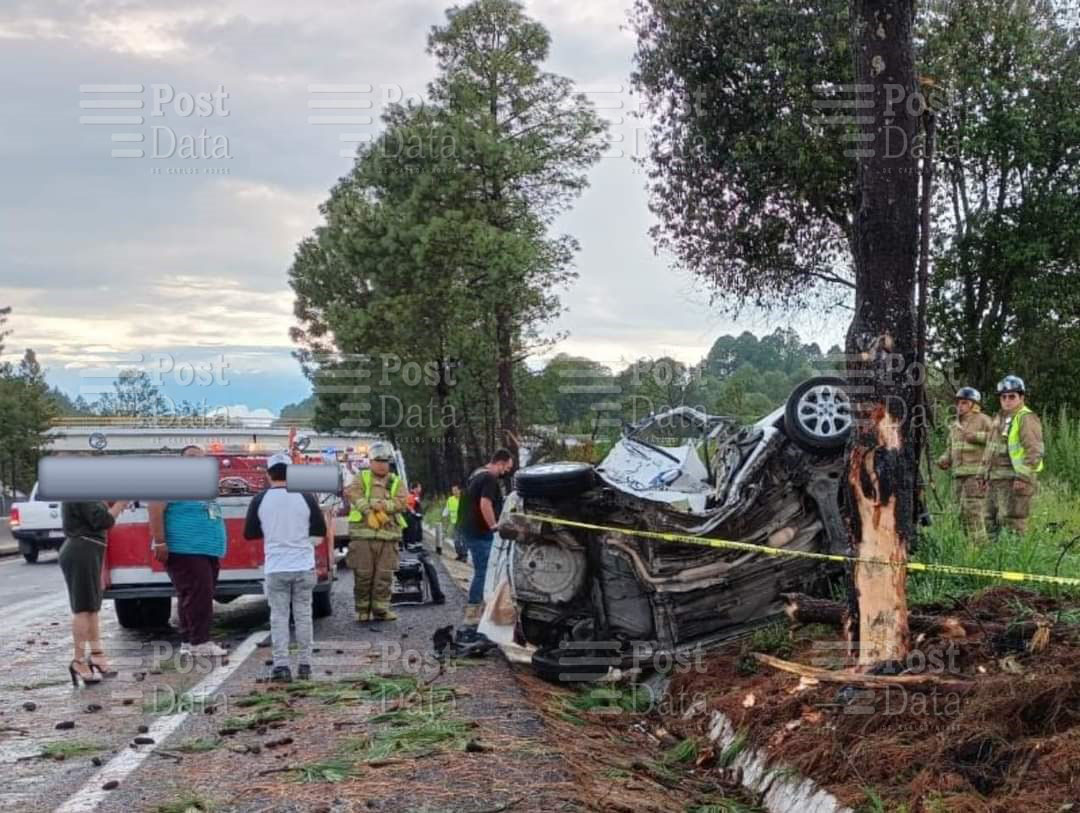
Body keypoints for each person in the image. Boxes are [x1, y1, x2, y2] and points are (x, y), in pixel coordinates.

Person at [243, 452, 327, 683]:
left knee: (279, 617)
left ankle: (281, 666)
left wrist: (272, 530)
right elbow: (320, 530)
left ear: (269, 474)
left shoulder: (260, 499)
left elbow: (250, 533)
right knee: (303, 615)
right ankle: (305, 664)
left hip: (276, 566)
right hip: (303, 565)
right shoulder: (307, 497)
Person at [149, 444, 229, 657]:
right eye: (192, 457)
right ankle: (200, 641)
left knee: (193, 595)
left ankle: (189, 640)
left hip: (205, 549)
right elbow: (155, 508)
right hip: (184, 549)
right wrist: (159, 542)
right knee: (198, 595)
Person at [60, 498, 129, 685]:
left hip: (89, 550)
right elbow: (103, 521)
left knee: (92, 607)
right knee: (83, 608)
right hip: (82, 550)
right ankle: (78, 661)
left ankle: (97, 655)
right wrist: (120, 505)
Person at [344, 441, 408, 622]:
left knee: (384, 576)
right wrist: (368, 510)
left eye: (384, 461)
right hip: (363, 537)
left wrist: (384, 507)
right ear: (370, 462)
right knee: (363, 575)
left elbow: (402, 502)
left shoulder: (396, 481)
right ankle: (362, 611)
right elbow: (353, 494)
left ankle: (381, 610)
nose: (381, 464)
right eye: (378, 461)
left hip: (388, 538)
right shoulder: (361, 477)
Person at [459, 449, 514, 636]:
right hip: (480, 532)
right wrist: (494, 526)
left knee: (481, 571)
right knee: (483, 571)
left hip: (469, 529)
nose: (507, 471)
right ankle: (473, 613)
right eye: (507, 467)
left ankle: (478, 610)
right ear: (500, 462)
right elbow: (485, 503)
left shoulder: (477, 473)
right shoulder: (490, 478)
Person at [983, 375, 1044, 537]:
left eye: (1012, 396)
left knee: (1013, 524)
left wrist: (1023, 477)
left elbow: (1034, 451)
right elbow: (991, 450)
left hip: (1016, 481)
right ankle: (994, 559)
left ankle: (1016, 561)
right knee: (990, 522)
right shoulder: (999, 419)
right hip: (996, 481)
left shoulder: (1026, 417)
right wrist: (984, 476)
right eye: (1003, 397)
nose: (1007, 401)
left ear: (1021, 397)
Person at [936, 386, 994, 542]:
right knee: (958, 511)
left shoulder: (984, 420)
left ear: (974, 404)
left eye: (964, 403)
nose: (959, 406)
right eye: (958, 403)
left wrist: (976, 436)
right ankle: (964, 545)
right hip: (958, 475)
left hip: (976, 475)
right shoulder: (955, 425)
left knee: (973, 511)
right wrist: (944, 459)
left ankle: (980, 547)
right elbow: (951, 448)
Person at [442, 484, 467, 561]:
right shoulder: (450, 499)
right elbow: (446, 510)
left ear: (459, 490)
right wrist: (444, 516)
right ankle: (460, 554)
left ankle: (464, 556)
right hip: (455, 523)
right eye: (453, 490)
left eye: (455, 490)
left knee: (464, 540)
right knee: (456, 541)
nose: (454, 492)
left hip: (464, 523)